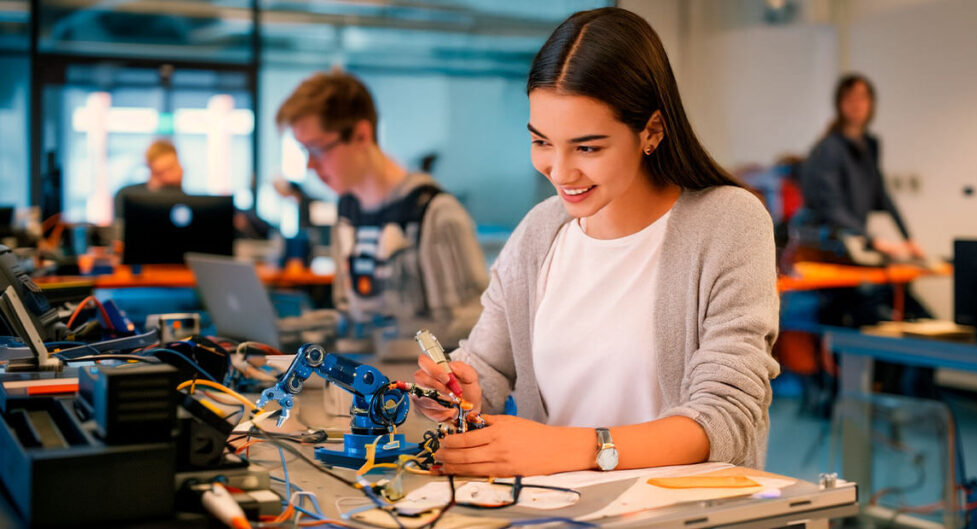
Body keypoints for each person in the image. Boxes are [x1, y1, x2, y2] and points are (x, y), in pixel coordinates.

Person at [412, 7, 780, 476]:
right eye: (542, 142)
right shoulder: (539, 232)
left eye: (587, 147)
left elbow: (726, 419)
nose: (561, 173)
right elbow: (485, 365)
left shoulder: (727, 222)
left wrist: (565, 449)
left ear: (652, 131)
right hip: (558, 511)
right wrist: (458, 390)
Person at [275, 69, 488, 357]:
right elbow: (351, 317)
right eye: (304, 151)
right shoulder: (347, 211)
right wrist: (288, 330)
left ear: (362, 135)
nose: (310, 166)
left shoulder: (434, 213)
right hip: (364, 380)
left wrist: (383, 337)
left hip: (415, 391)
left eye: (318, 149)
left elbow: (471, 326)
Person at [800, 74, 925, 261]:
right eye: (849, 98)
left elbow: (882, 195)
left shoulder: (870, 146)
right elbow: (831, 207)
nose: (856, 104)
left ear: (871, 103)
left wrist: (909, 239)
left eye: (862, 97)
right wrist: (873, 240)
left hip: (856, 240)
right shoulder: (829, 148)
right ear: (839, 104)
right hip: (831, 245)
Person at [113, 139, 185, 221]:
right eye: (168, 169)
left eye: (174, 167)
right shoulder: (127, 196)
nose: (181, 171)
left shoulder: (184, 200)